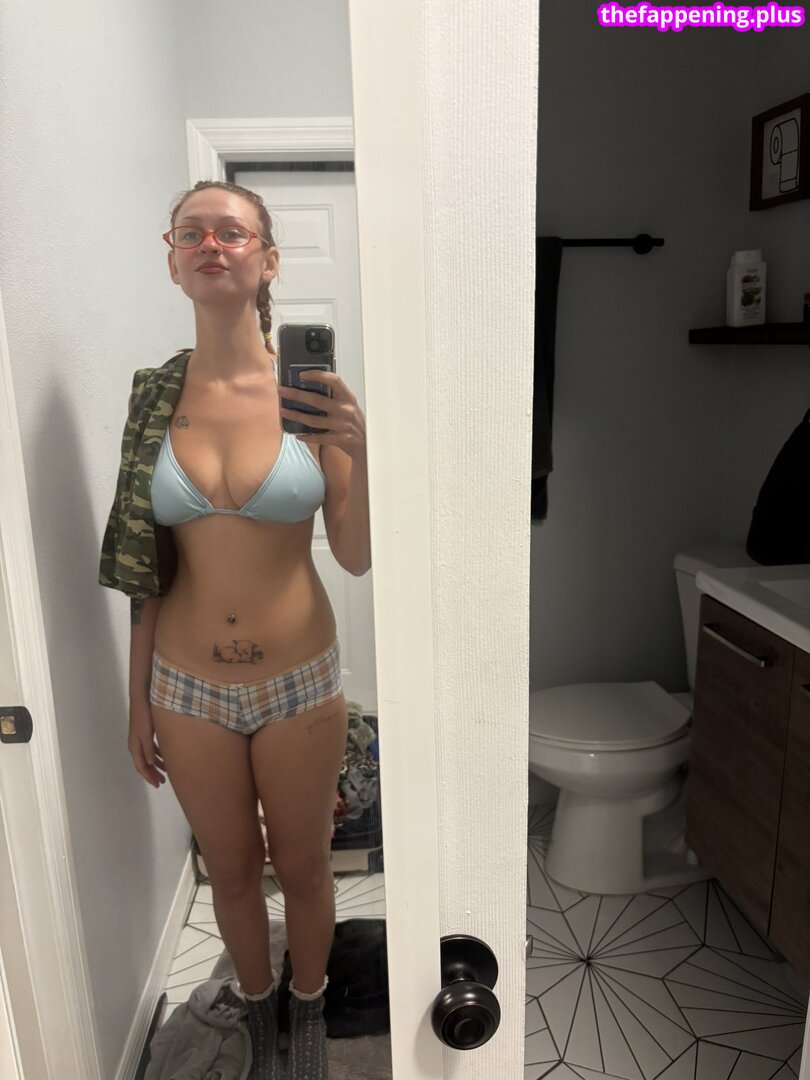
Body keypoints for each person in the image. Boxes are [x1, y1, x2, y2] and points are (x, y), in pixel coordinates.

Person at [99, 179, 371, 1080]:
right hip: (184, 685)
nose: (211, 245)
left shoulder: (310, 395)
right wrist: (136, 699)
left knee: (304, 864)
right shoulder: (154, 397)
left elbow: (355, 554)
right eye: (192, 233)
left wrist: (358, 450)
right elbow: (145, 565)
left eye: (232, 232)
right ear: (173, 262)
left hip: (298, 680)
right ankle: (260, 1015)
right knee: (231, 868)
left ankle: (308, 1013)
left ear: (269, 261)